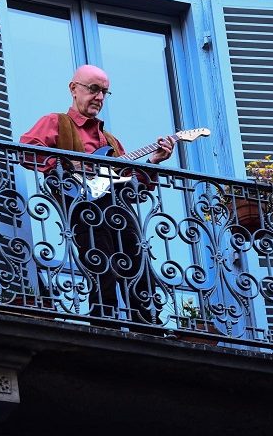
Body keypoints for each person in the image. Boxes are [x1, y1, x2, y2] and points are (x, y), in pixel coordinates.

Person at [20, 64, 175, 325]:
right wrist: (66, 162)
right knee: (101, 264)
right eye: (94, 89)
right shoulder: (56, 122)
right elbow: (26, 149)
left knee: (139, 266)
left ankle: (149, 325)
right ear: (74, 89)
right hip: (83, 207)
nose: (100, 98)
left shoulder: (111, 142)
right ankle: (103, 322)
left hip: (118, 210)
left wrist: (154, 162)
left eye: (104, 92)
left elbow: (133, 186)